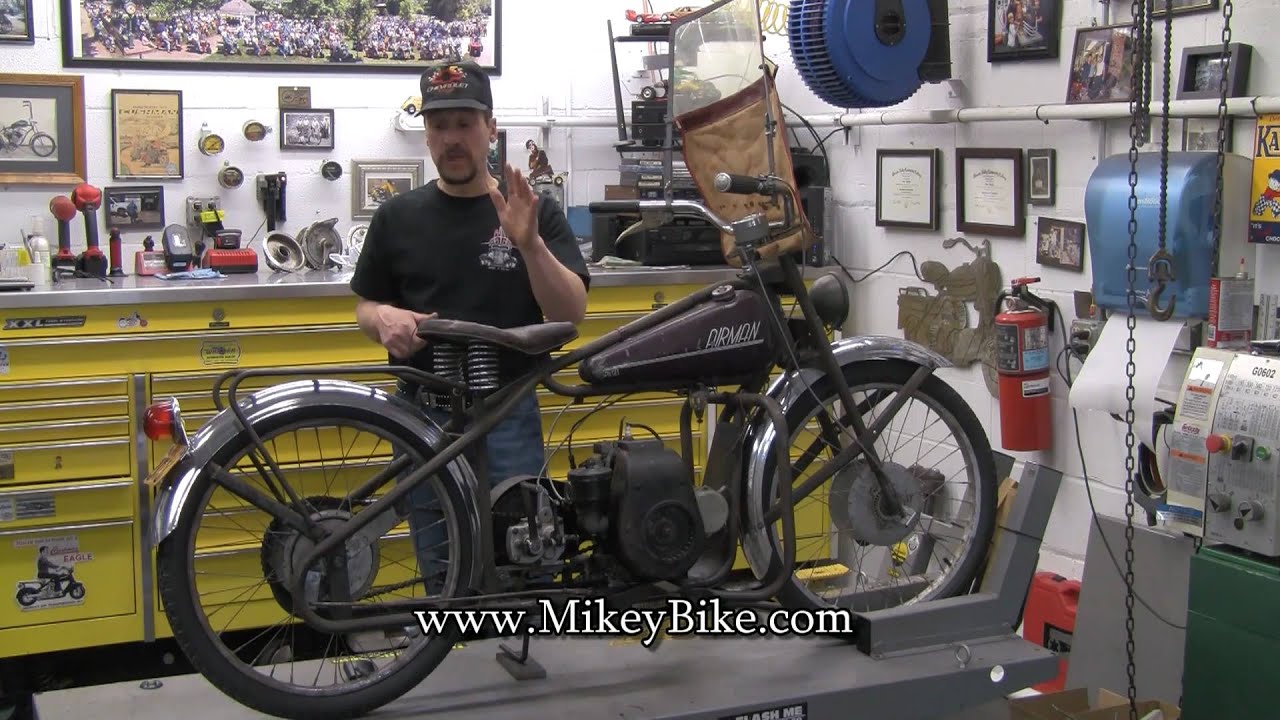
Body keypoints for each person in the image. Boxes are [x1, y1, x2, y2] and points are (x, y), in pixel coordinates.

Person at [349, 60, 590, 594]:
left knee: (519, 555)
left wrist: (529, 245)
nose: (451, 138)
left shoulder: (533, 211)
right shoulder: (398, 217)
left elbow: (570, 312)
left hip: (506, 411)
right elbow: (368, 305)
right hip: (419, 413)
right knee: (442, 564)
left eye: (464, 123)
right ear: (427, 135)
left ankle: (514, 654)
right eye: (439, 126)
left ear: (490, 129)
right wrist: (383, 319)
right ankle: (455, 656)